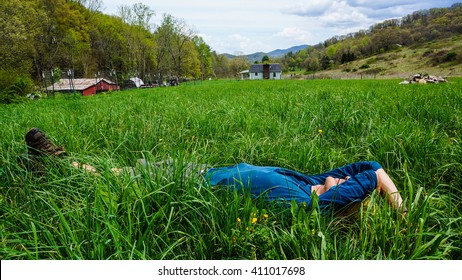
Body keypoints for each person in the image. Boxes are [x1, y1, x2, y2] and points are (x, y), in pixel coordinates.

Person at [23, 127, 405, 214]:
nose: (342, 177)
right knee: (124, 170)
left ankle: (57, 164)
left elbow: (371, 179)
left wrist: (400, 210)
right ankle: (52, 166)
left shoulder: (307, 205)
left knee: (119, 178)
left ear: (341, 196)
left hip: (190, 186)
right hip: (202, 169)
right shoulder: (310, 182)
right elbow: (371, 167)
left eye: (344, 184)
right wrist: (399, 205)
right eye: (342, 179)